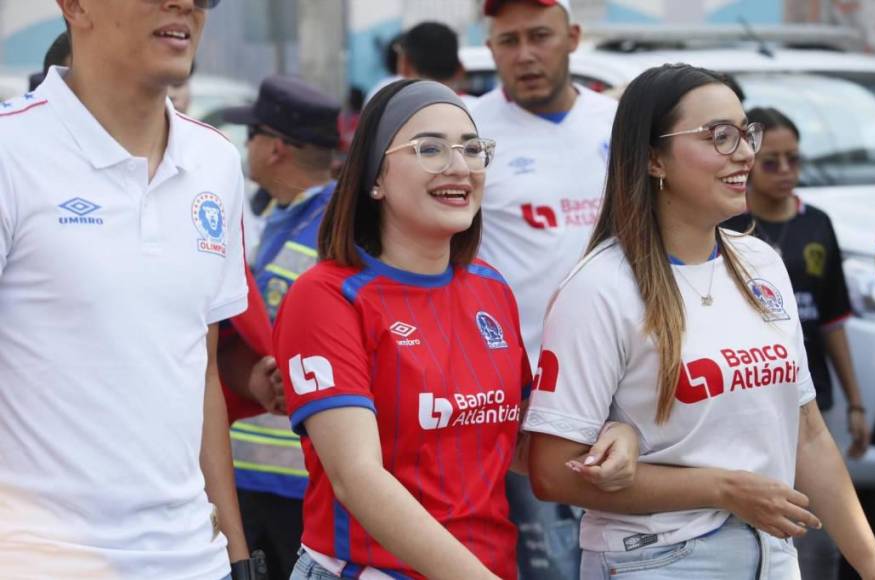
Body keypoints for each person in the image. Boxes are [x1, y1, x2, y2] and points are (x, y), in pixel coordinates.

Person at [524, 63, 875, 580]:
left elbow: (807, 434)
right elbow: (551, 473)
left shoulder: (760, 262)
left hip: (774, 557)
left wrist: (872, 566)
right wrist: (722, 489)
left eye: (745, 133)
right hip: (657, 559)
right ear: (654, 158)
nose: (745, 152)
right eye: (719, 136)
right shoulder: (600, 288)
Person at [272, 79, 637, 579]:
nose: (460, 166)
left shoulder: (490, 289)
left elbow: (522, 446)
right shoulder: (326, 296)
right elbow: (357, 478)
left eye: (472, 149)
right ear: (374, 178)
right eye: (430, 149)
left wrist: (611, 439)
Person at [0, 0, 257, 578]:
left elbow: (203, 372)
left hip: (196, 559)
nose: (187, 4)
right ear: (75, 6)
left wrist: (237, 554)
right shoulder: (11, 152)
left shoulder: (215, 159)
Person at [470, 1, 618, 577]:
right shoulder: (468, 131)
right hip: (525, 401)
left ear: (573, 37)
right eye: (508, 41)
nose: (525, 55)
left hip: (625, 389)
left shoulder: (619, 125)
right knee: (549, 565)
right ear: (490, 50)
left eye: (539, 36)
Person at [722, 107, 870, 580]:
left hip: (811, 399)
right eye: (772, 162)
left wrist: (856, 402)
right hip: (750, 397)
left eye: (794, 160)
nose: (785, 172)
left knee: (818, 534)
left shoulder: (818, 224)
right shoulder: (729, 226)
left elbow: (833, 318)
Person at [220, 74, 342, 579]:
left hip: (301, 481)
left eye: (251, 135)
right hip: (257, 474)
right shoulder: (282, 217)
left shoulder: (330, 233)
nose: (244, 147)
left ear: (274, 148)